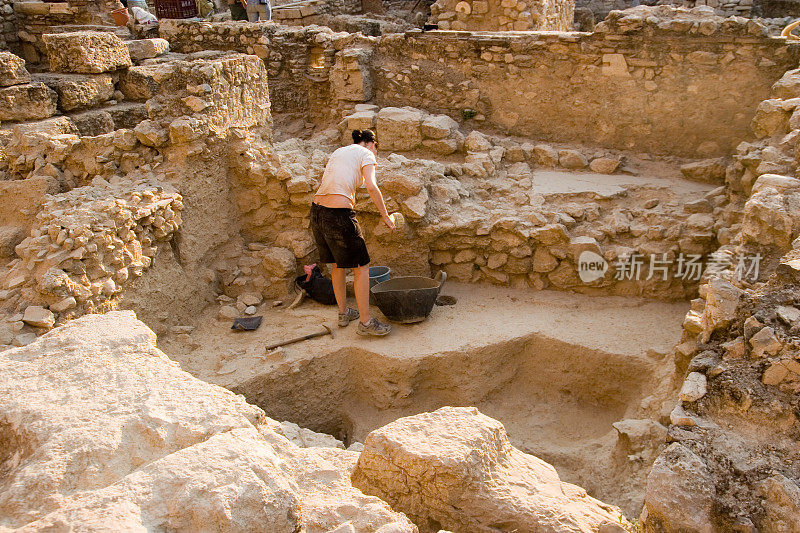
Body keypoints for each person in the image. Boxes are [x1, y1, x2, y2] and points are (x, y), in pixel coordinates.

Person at [310, 129, 395, 336]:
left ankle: (344, 313)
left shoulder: (339, 151)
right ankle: (366, 324)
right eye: (376, 148)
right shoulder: (366, 154)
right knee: (362, 267)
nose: (375, 153)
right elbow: (372, 186)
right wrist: (385, 216)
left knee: (338, 265)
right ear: (370, 143)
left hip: (317, 212)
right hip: (338, 213)